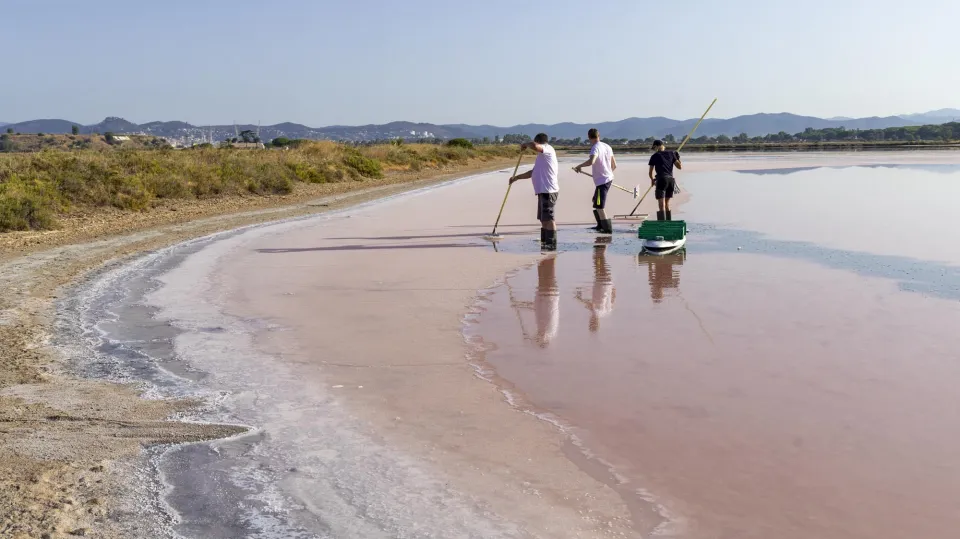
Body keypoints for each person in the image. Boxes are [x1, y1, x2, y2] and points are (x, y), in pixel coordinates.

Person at [509, 133, 559, 250]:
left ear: (538, 142)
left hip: (548, 190)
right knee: (543, 219)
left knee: (549, 218)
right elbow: (532, 173)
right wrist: (516, 178)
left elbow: (534, 146)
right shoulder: (541, 157)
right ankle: (545, 242)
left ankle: (551, 245)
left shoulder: (548, 149)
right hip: (542, 191)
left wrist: (526, 144)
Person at [573, 128, 617, 233]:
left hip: (602, 181)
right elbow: (614, 165)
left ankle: (606, 228)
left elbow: (591, 161)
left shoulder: (595, 148)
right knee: (595, 201)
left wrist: (579, 166)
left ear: (589, 137)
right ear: (599, 135)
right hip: (607, 178)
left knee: (599, 205)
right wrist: (606, 172)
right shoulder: (607, 146)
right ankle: (600, 225)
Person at [648, 139, 682, 220]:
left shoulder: (654, 156)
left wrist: (652, 180)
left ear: (657, 146)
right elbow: (680, 167)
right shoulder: (672, 154)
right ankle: (668, 223)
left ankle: (662, 225)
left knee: (661, 204)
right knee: (667, 204)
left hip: (661, 180)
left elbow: (650, 172)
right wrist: (677, 158)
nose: (654, 150)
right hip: (671, 181)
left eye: (654, 148)